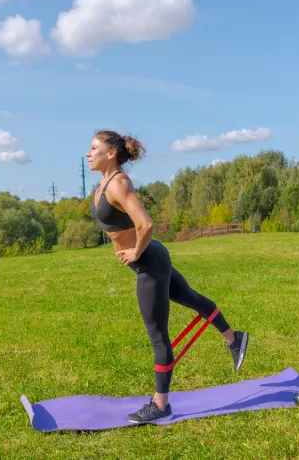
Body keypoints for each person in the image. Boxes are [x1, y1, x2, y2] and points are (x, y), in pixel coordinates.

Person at [86, 130, 249, 424]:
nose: (88, 153)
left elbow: (145, 223)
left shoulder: (118, 182)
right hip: (153, 259)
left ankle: (161, 405)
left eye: (94, 148)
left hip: (149, 262)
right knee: (190, 298)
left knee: (158, 336)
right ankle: (234, 338)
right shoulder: (103, 184)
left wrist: (135, 252)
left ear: (111, 153)